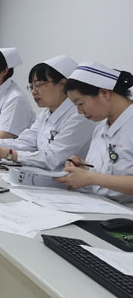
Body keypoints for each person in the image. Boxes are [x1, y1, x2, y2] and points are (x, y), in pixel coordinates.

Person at [0, 55, 96, 170]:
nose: (33, 92)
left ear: (62, 84)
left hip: (64, 182)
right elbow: (26, 142)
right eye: (31, 87)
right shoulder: (46, 114)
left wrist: (6, 154)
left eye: (38, 85)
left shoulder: (79, 117)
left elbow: (51, 158)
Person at [55, 62, 133, 204]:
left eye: (80, 103)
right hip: (99, 205)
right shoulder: (101, 128)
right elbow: (106, 173)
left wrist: (91, 178)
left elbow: (98, 179)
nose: (79, 111)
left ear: (104, 93)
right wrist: (83, 168)